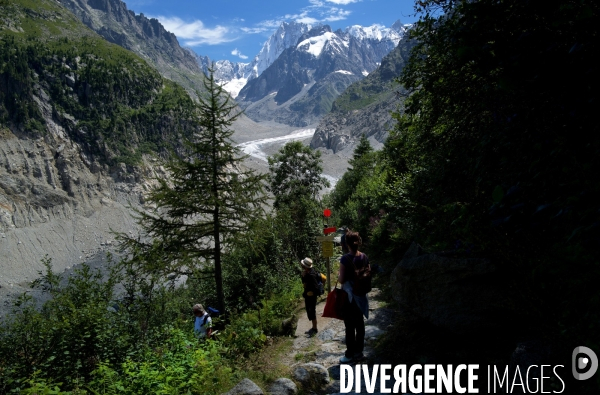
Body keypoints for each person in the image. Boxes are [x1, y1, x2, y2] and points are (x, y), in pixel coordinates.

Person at [338, 230, 369, 363]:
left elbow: (342, 279)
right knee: (360, 325)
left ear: (346, 244)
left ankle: (349, 354)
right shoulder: (364, 256)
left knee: (350, 326)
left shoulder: (345, 259)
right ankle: (359, 353)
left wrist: (339, 277)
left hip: (350, 297)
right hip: (361, 295)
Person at [300, 257, 319, 336]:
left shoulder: (311, 275)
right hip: (309, 295)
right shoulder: (309, 272)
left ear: (305, 267)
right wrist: (303, 276)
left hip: (311, 296)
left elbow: (315, 287)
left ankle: (315, 328)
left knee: (312, 311)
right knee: (310, 311)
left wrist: (311, 292)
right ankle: (313, 327)